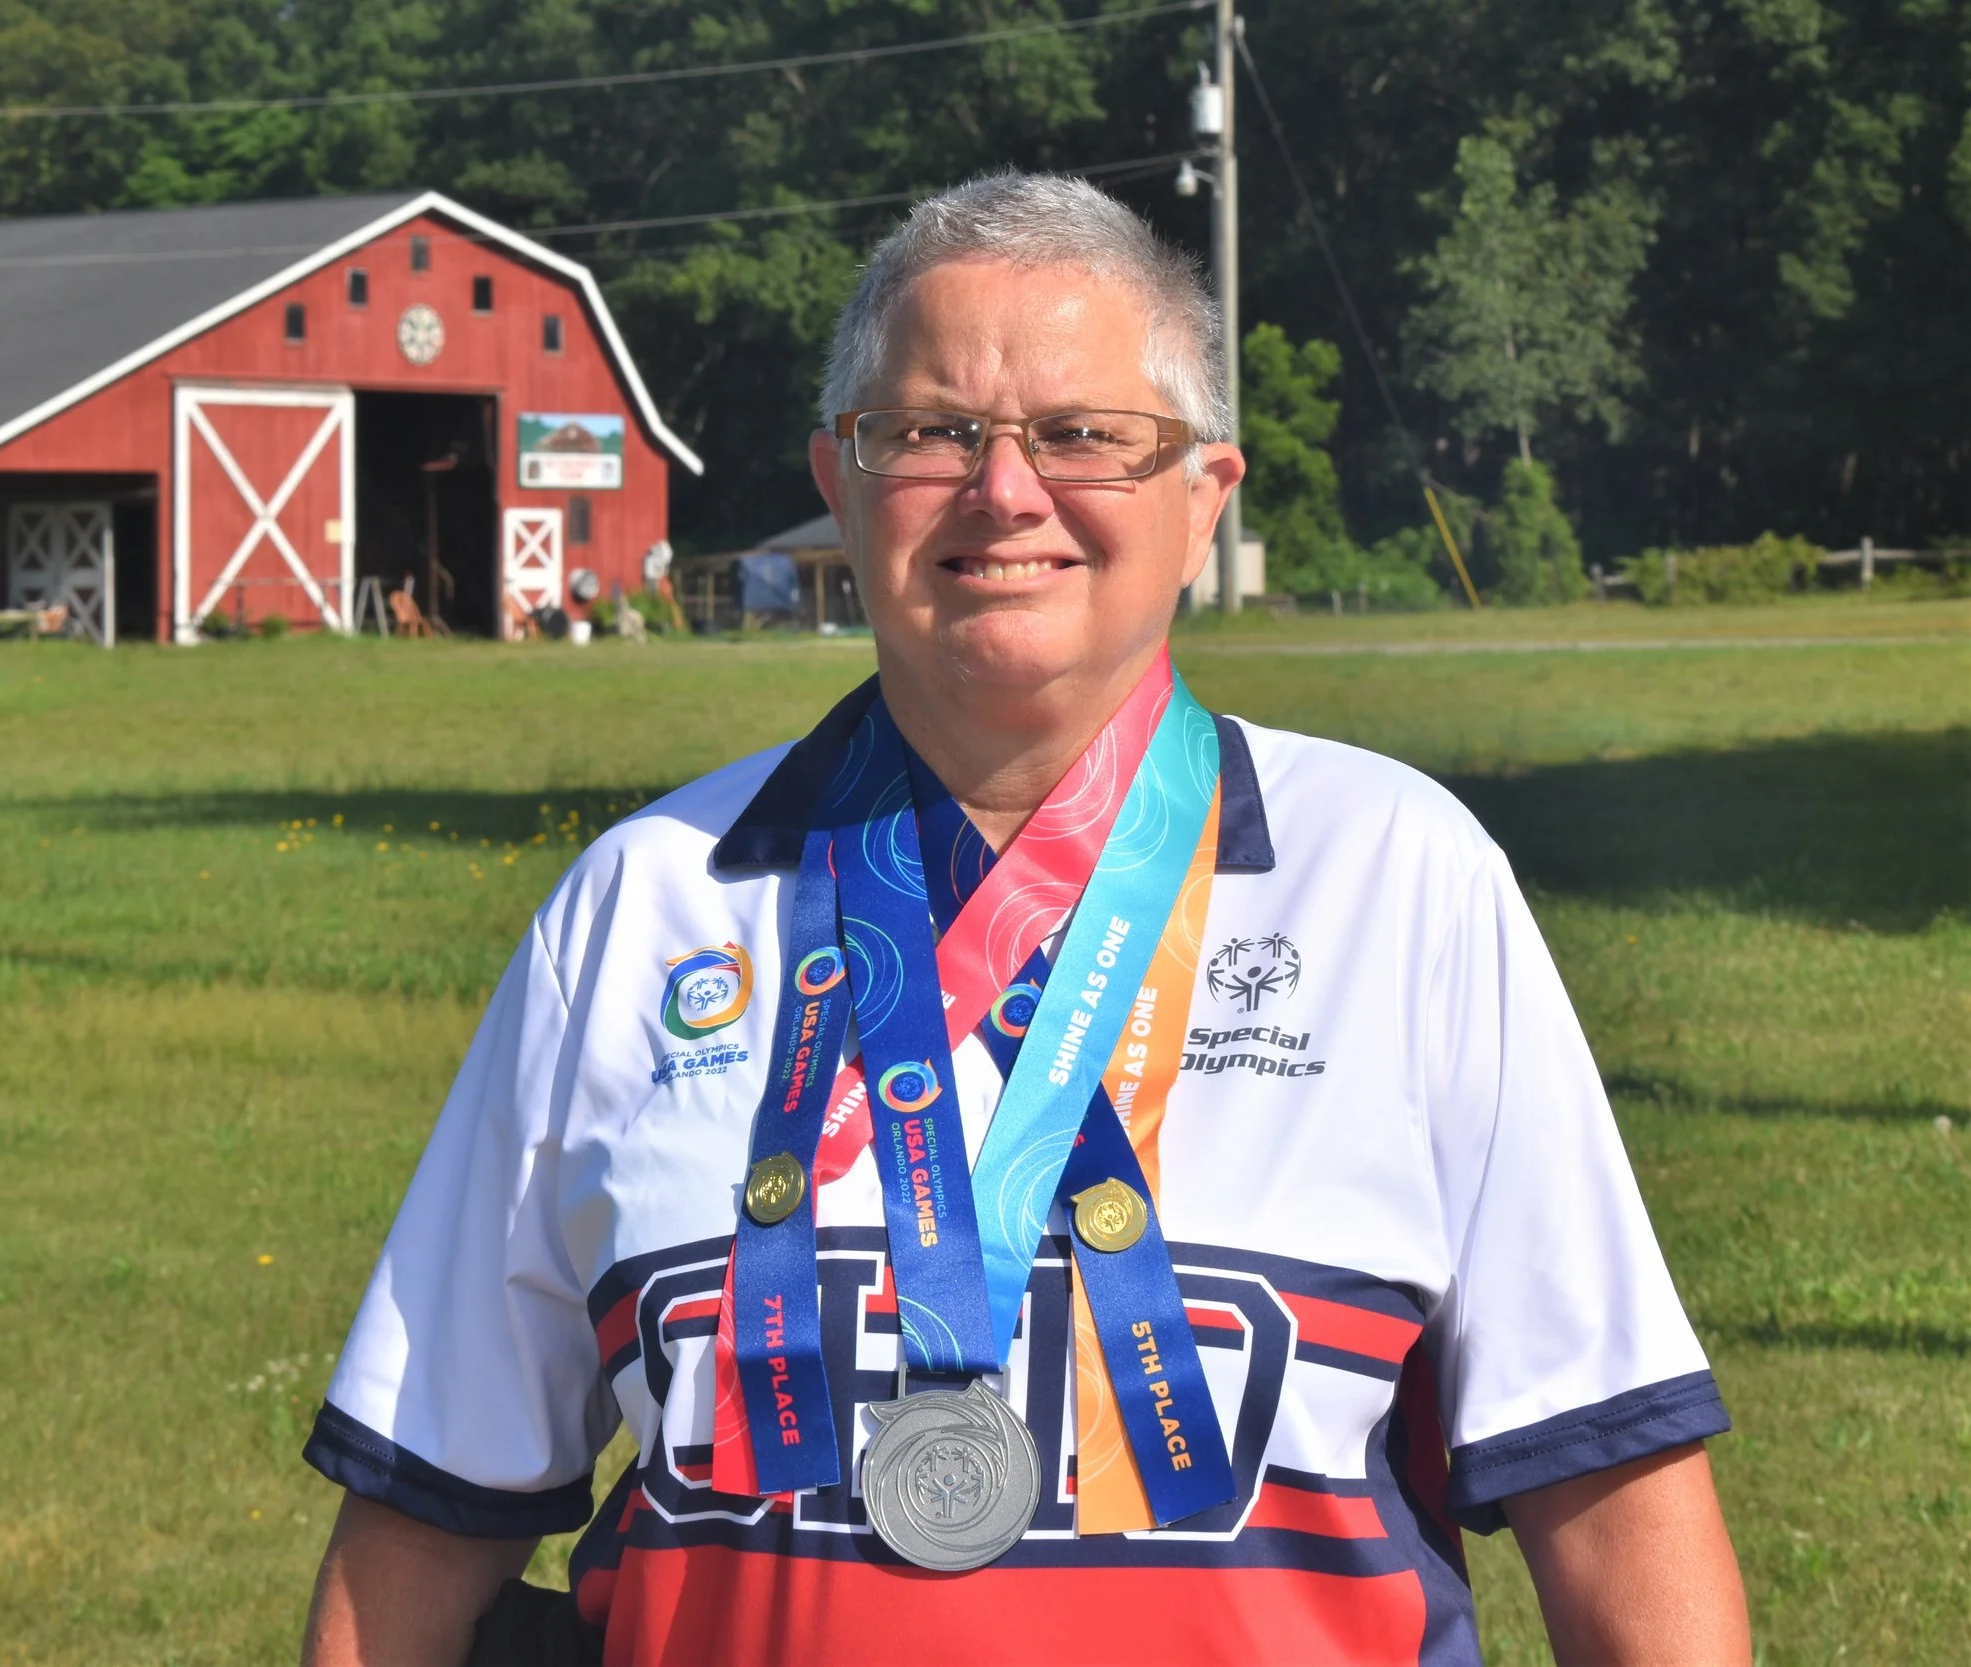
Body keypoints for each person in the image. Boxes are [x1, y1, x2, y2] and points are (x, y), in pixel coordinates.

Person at [301, 172, 1747, 1666]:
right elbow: (415, 1539)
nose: (1004, 491)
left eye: (1083, 435)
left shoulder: (1397, 877)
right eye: (931, 432)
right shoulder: (642, 904)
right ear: (841, 479)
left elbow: (1617, 1508)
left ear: (1205, 498)